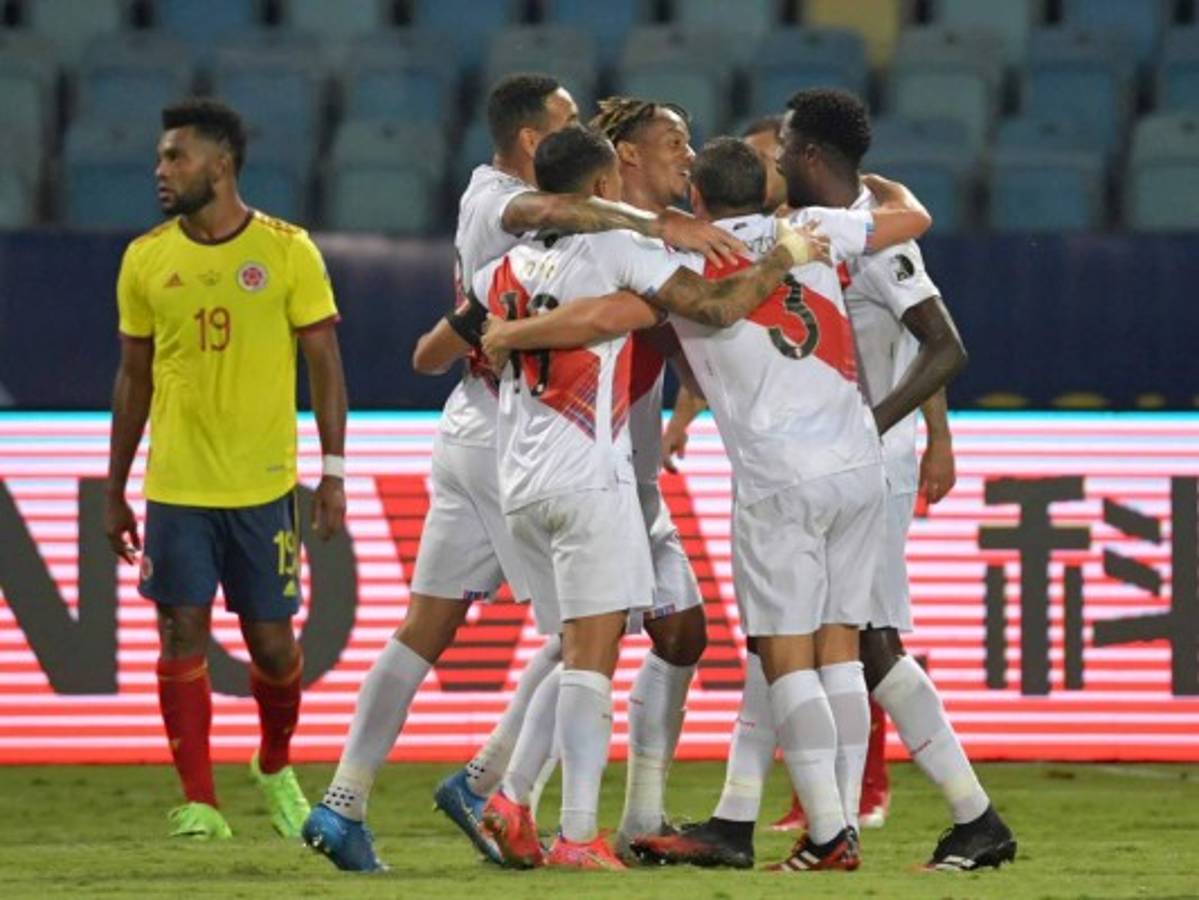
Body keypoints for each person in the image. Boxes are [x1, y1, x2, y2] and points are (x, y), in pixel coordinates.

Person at [301, 73, 746, 872]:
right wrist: (666, 228)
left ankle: (345, 799)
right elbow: (568, 225)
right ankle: (508, 793)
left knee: (428, 626)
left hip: (483, 431)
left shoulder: (523, 257)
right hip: (533, 444)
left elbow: (432, 351)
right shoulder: (504, 203)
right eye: (574, 122)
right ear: (540, 142)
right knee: (588, 634)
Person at [486, 135, 935, 872]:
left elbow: (617, 317)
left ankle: (830, 834)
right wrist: (878, 183)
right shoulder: (814, 227)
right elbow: (912, 219)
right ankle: (843, 818)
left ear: (697, 199)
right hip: (860, 463)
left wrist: (514, 330)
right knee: (841, 652)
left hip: (777, 475)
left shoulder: (677, 261)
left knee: (785, 656)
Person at [104, 99, 348, 841]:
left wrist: (333, 472)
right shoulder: (146, 258)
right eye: (160, 157)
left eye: (175, 156)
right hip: (177, 485)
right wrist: (115, 488)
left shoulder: (287, 251)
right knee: (181, 632)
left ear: (220, 163)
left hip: (262, 484)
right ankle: (201, 803)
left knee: (272, 645)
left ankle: (273, 764)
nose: (161, 170)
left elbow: (324, 366)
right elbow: (133, 378)